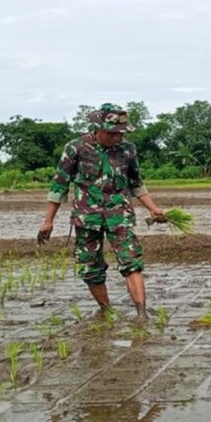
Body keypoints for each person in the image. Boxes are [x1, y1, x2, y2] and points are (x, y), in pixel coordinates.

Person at [38, 103, 164, 317]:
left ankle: (141, 314)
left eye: (121, 133)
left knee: (132, 261)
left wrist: (153, 209)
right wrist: (48, 221)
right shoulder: (76, 148)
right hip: (87, 218)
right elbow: (59, 186)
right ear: (98, 129)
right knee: (90, 268)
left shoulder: (128, 149)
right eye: (113, 133)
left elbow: (136, 184)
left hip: (120, 216)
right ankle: (107, 311)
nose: (118, 138)